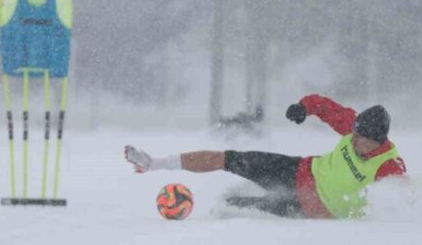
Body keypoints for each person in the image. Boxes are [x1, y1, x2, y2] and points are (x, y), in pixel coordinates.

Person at [124, 94, 407, 219]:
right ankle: (155, 163)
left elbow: (402, 203)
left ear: (377, 141)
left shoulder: (388, 166)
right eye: (353, 133)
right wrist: (303, 107)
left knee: (231, 207)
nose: (353, 140)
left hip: (307, 209)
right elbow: (323, 105)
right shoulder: (352, 126)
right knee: (230, 158)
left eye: (360, 139)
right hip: (296, 170)